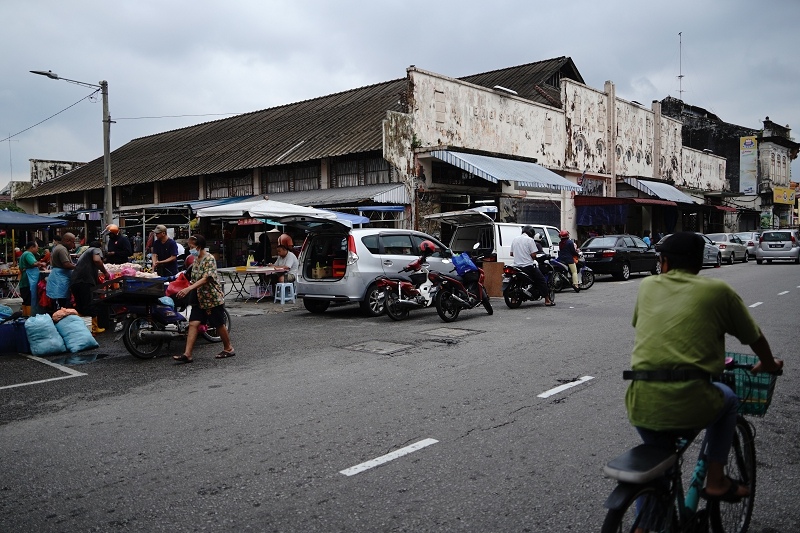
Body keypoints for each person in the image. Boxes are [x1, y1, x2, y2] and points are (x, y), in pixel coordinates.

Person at [625, 232, 783, 502]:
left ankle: (642, 524)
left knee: (655, 465)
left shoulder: (647, 286)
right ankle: (716, 480)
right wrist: (769, 364)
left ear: (664, 263)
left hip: (640, 400)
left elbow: (646, 326)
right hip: (691, 399)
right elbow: (754, 337)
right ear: (699, 263)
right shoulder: (717, 291)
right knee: (730, 400)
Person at [173, 234, 234, 364]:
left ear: (199, 246)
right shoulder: (195, 260)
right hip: (199, 298)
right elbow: (193, 279)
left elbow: (206, 278)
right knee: (193, 324)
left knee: (218, 324)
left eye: (192, 247)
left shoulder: (209, 259)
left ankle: (228, 348)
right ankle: (187, 354)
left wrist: (189, 289)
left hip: (212, 298)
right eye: (189, 247)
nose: (191, 249)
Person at [69, 240, 110, 334]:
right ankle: (94, 328)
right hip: (84, 281)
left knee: (80, 305)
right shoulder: (95, 250)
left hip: (75, 281)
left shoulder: (85, 252)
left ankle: (82, 328)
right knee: (89, 304)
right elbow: (97, 260)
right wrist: (105, 272)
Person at [509, 226, 554, 306]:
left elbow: (511, 254)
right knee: (542, 280)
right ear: (531, 233)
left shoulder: (515, 239)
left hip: (516, 266)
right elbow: (533, 255)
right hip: (528, 266)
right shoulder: (530, 240)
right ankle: (547, 300)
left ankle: (513, 299)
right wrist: (533, 257)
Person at [46, 232, 77, 309]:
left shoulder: (59, 247)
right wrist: (78, 267)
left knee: (62, 300)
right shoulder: (62, 249)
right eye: (73, 242)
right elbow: (66, 264)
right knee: (63, 302)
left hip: (60, 276)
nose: (74, 245)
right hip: (60, 277)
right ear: (67, 241)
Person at [18, 241, 46, 316]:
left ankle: (24, 316)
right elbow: (33, 263)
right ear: (31, 247)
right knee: (29, 300)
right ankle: (29, 317)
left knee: (25, 300)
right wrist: (41, 264)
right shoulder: (28, 254)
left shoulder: (24, 254)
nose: (37, 249)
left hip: (24, 281)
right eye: (36, 247)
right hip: (28, 281)